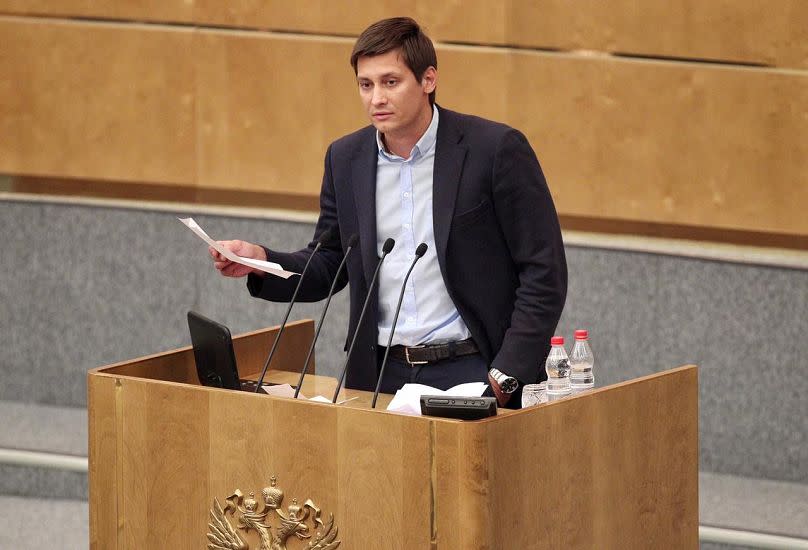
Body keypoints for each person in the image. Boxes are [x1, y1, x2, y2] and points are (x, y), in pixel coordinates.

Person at [209, 17, 567, 407]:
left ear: (428, 79)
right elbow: (331, 261)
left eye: (390, 82)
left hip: (473, 368)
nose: (376, 98)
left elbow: (544, 271)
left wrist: (505, 377)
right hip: (381, 374)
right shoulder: (346, 159)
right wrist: (263, 261)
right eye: (366, 85)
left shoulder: (494, 150)